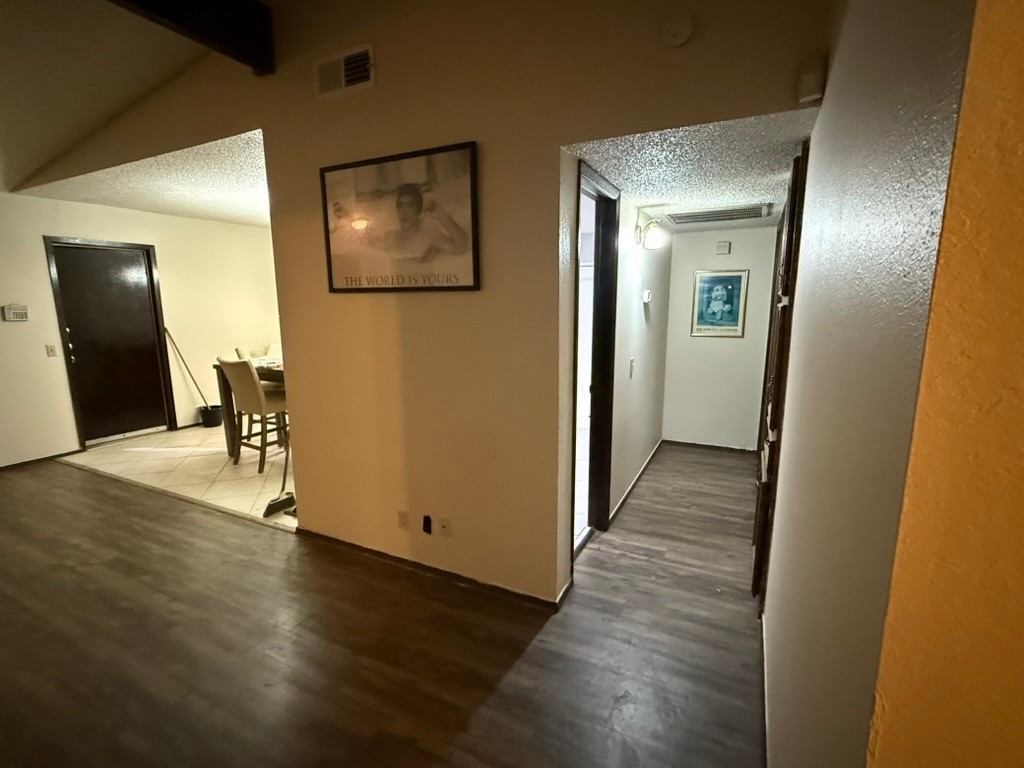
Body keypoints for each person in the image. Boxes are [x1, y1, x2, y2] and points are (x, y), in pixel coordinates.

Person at [363, 183, 470, 264]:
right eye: (400, 206)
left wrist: (442, 215)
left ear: (419, 211)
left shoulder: (430, 236)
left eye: (410, 206)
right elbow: (369, 249)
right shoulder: (390, 235)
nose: (404, 211)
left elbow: (462, 247)